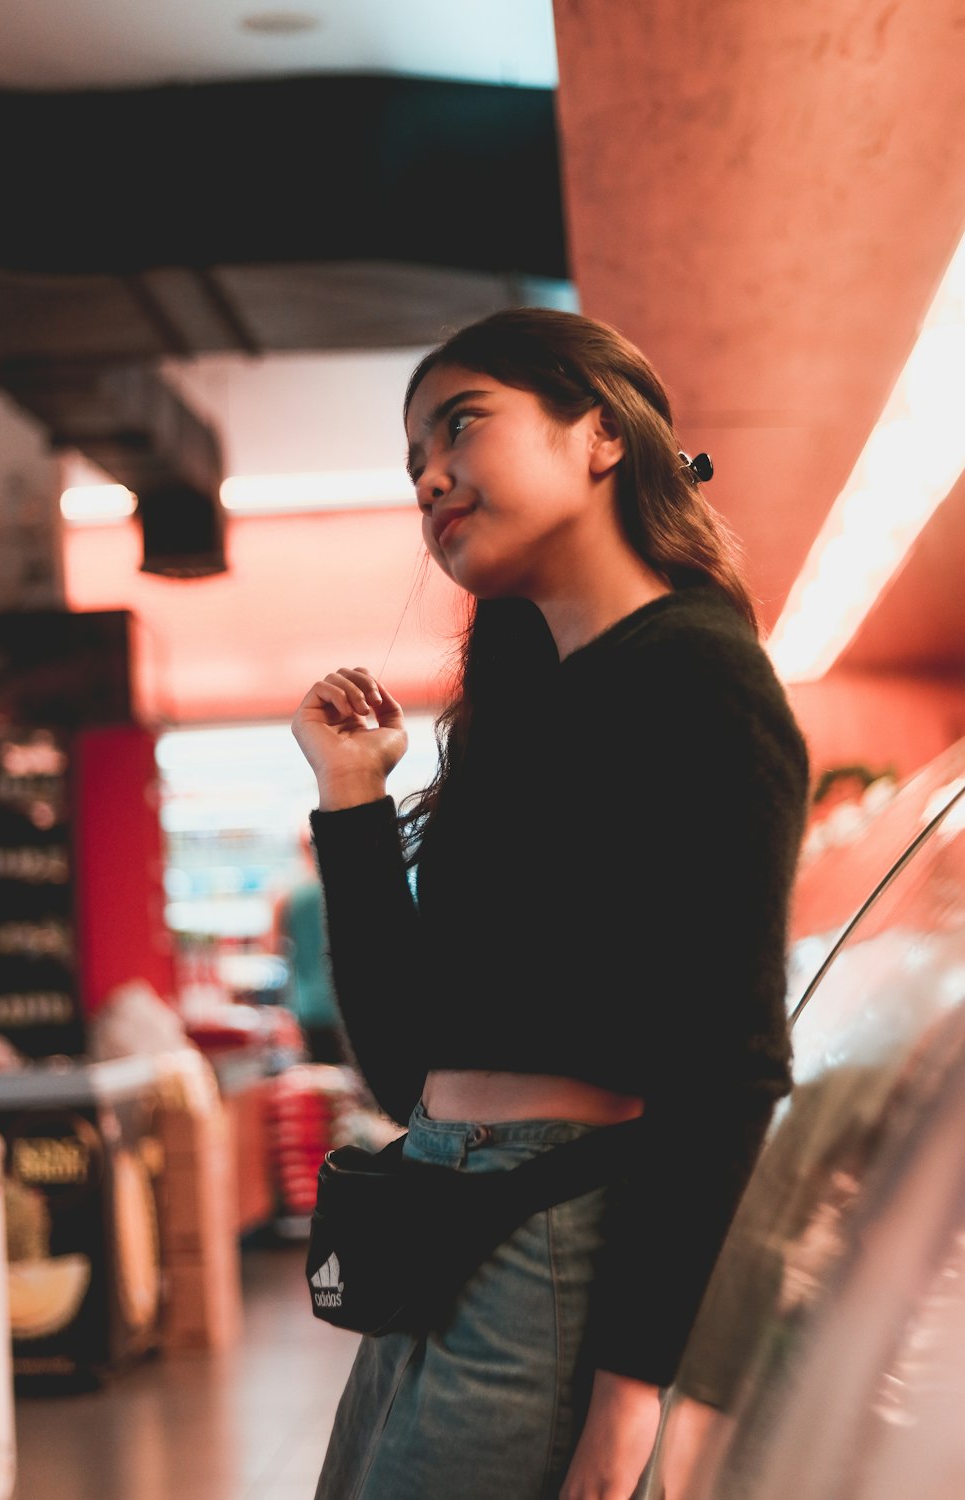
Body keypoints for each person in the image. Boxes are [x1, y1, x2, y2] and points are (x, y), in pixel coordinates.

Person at [290, 306, 810, 1500]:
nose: (428, 477)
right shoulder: (511, 721)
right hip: (432, 1210)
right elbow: (408, 1060)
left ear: (597, 435)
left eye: (459, 425)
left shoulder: (698, 674)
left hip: (553, 1237)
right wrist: (354, 798)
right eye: (412, 461)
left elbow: (726, 1067)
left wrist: (632, 1402)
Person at [269, 826, 347, 1065]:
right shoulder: (346, 888)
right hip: (349, 1001)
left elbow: (273, 947)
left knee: (324, 1080)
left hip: (309, 1004)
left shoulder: (286, 894)